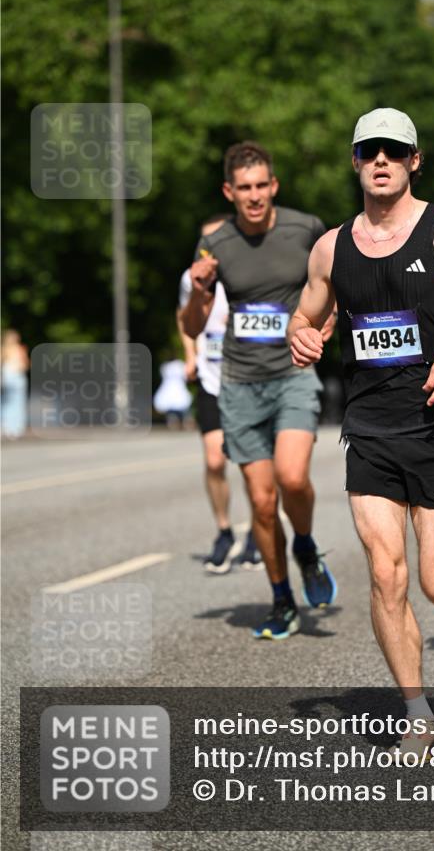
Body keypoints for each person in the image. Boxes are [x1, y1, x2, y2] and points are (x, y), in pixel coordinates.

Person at [288, 108, 434, 760]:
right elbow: (303, 317)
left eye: (394, 150)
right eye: (369, 151)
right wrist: (301, 335)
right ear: (355, 160)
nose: (381, 160)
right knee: (385, 575)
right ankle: (415, 711)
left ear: (414, 160)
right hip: (367, 433)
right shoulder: (330, 247)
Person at [181, 141, 336, 640]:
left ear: (274, 186)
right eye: (242, 188)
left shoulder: (305, 229)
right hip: (240, 383)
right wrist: (198, 286)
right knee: (263, 503)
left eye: (260, 186)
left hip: (292, 373)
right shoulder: (216, 246)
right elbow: (192, 325)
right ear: (230, 191)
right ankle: (281, 599)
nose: (253, 196)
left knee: (293, 479)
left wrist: (325, 326)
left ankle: (306, 546)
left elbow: (333, 287)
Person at [177, 215, 261, 574]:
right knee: (214, 460)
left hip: (250, 379)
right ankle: (224, 532)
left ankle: (259, 534)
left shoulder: (250, 273)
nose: (209, 250)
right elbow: (184, 319)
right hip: (211, 379)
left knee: (251, 465)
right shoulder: (191, 278)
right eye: (204, 243)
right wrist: (190, 354)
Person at [1, 330, 29, 439]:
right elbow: (25, 364)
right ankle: (15, 429)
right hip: (16, 377)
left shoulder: (3, 349)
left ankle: (7, 427)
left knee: (6, 402)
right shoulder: (19, 349)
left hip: (7, 377)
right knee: (17, 403)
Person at [153, 358, 192, 429]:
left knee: (175, 406)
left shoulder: (165, 366)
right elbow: (186, 376)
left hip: (171, 387)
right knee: (182, 405)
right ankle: (183, 421)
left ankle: (176, 421)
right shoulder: (179, 365)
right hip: (177, 387)